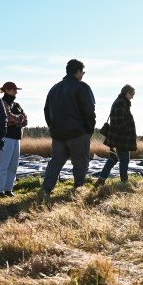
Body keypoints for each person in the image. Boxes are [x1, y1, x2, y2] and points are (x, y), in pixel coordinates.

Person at [41, 59, 96, 203]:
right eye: (82, 71)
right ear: (78, 71)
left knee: (55, 162)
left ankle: (46, 189)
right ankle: (78, 188)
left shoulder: (54, 89)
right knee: (80, 162)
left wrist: (53, 127)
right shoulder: (82, 87)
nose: (83, 74)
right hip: (78, 133)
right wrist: (88, 130)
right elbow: (89, 111)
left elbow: (47, 111)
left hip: (58, 134)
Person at [0, 81, 28, 197]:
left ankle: (8, 189)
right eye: (14, 89)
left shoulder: (17, 105)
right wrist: (18, 119)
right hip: (6, 138)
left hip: (17, 138)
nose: (16, 92)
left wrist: (16, 121)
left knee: (13, 166)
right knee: (4, 165)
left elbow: (25, 120)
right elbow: (9, 119)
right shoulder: (2, 103)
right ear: (7, 90)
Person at [97, 85, 137, 185]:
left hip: (117, 137)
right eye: (132, 94)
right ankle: (124, 181)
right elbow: (119, 120)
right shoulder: (121, 102)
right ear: (127, 93)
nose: (132, 96)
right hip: (121, 138)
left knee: (113, 158)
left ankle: (101, 179)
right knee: (124, 160)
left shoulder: (121, 101)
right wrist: (127, 131)